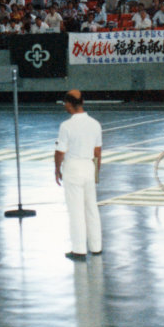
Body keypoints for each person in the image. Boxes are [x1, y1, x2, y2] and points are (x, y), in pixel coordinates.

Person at [54, 90, 103, 262]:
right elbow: (98, 152)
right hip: (89, 167)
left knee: (76, 211)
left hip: (73, 169)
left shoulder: (66, 126)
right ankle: (96, 247)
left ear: (69, 104)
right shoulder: (95, 124)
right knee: (91, 208)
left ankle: (79, 250)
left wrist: (56, 169)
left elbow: (60, 152)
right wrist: (96, 172)